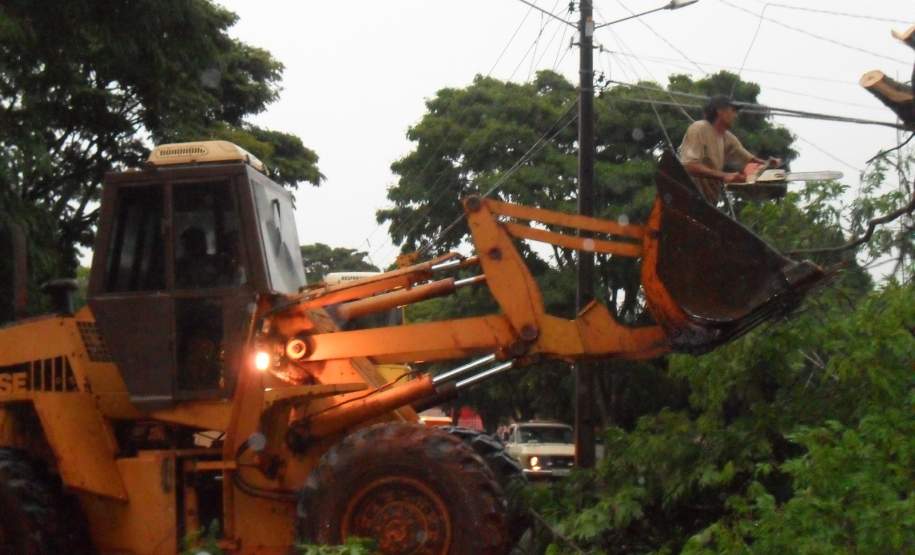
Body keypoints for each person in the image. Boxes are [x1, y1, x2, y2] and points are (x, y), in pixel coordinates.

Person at [678, 95, 781, 204]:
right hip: (686, 196)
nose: (735, 116)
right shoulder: (700, 128)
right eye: (733, 111)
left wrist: (769, 164)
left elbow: (750, 161)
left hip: (707, 203)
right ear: (720, 111)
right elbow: (688, 166)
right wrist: (724, 175)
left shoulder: (727, 137)